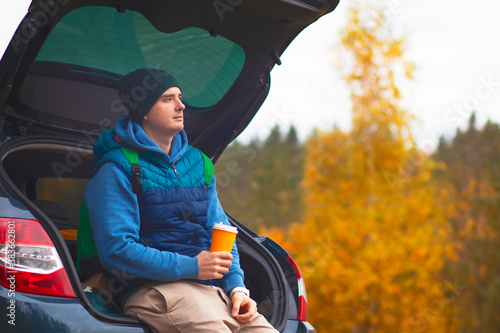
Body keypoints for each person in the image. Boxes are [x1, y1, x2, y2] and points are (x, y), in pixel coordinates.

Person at [84, 68, 278, 332]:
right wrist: (192, 266)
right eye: (168, 99)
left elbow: (221, 234)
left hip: (209, 291)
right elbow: (117, 250)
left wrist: (237, 288)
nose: (181, 105)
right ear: (144, 111)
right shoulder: (117, 168)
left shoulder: (198, 163)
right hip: (154, 290)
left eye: (179, 96)